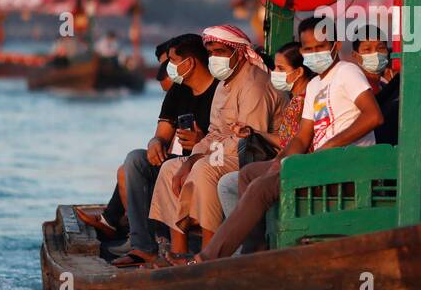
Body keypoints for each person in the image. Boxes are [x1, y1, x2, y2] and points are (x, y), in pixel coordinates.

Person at [197, 17, 383, 262]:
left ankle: (208, 257)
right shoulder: (316, 84)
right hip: (323, 166)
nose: (315, 53)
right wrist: (280, 161)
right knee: (250, 173)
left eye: (321, 47)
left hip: (347, 168)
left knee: (261, 188)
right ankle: (257, 252)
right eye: (308, 49)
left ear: (336, 46)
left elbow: (374, 116)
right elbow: (302, 136)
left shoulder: (347, 72)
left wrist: (329, 147)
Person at [120, 25, 280, 266]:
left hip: (256, 154)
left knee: (204, 169)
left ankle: (207, 255)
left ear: (238, 53)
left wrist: (196, 160)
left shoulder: (254, 84)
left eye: (219, 52)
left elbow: (248, 139)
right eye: (211, 52)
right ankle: (179, 252)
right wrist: (192, 157)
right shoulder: (226, 83)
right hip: (225, 151)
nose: (214, 58)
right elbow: (214, 133)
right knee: (171, 169)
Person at [77, 34, 216, 248]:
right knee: (135, 159)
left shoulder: (220, 90)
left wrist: (200, 141)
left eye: (172, 61)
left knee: (171, 168)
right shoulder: (178, 90)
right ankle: (142, 245)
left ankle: (170, 245)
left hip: (209, 162)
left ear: (189, 62)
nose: (169, 67)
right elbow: (162, 133)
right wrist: (155, 144)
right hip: (177, 162)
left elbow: (228, 140)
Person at [217, 41, 312, 219]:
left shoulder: (304, 100)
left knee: (228, 184)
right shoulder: (296, 98)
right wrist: (255, 132)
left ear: (299, 72)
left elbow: (297, 143)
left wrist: (275, 164)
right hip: (286, 161)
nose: (274, 73)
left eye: (280, 69)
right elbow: (287, 139)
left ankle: (251, 237)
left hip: (295, 166)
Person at [353, 25, 400, 144]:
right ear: (355, 56)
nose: (375, 54)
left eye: (380, 48)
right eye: (367, 50)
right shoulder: (353, 90)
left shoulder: (387, 88)